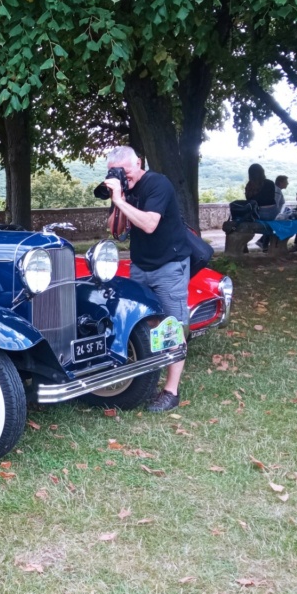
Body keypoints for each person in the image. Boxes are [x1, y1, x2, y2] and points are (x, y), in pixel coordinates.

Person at [103, 146, 190, 413]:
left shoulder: (157, 184)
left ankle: (171, 391)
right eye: (116, 173)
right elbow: (115, 231)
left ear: (138, 163)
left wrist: (120, 200)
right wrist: (117, 198)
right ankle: (148, 378)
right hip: (140, 265)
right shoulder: (123, 191)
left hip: (168, 264)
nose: (123, 177)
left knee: (172, 326)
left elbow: (150, 224)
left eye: (126, 172)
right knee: (145, 324)